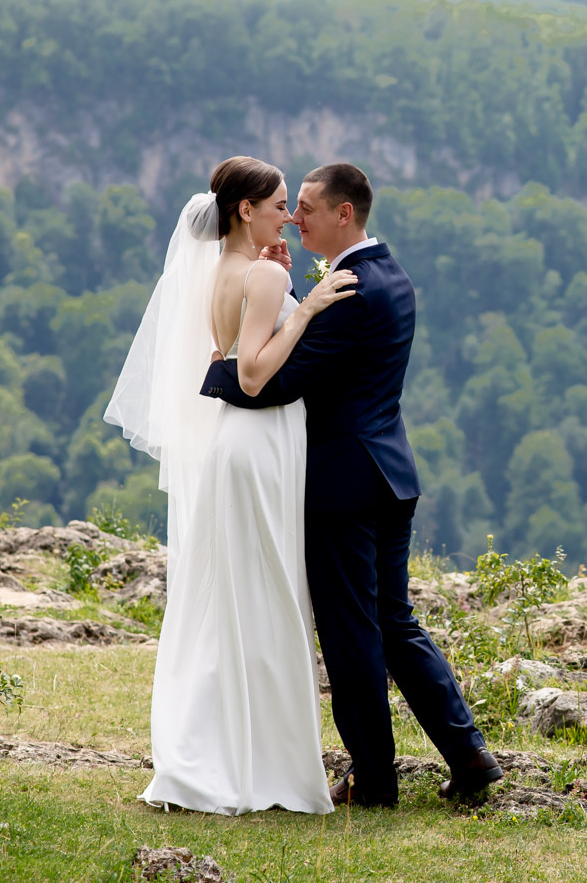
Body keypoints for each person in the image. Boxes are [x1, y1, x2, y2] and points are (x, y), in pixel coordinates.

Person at [201, 161, 503, 808]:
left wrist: (214, 372)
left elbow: (273, 383)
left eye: (306, 206)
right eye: (291, 205)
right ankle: (469, 752)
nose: (294, 216)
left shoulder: (345, 291)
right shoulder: (389, 275)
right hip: (390, 470)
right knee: (394, 622)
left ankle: (374, 776)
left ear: (345, 213)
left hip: (344, 484)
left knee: (350, 631)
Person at [103, 156, 356, 815]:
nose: (290, 216)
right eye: (279, 205)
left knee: (234, 595)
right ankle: (261, 763)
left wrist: (282, 291)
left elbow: (228, 350)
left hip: (232, 443)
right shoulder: (266, 272)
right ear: (246, 209)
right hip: (262, 437)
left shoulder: (224, 269)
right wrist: (306, 310)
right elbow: (248, 374)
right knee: (267, 594)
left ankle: (225, 748)